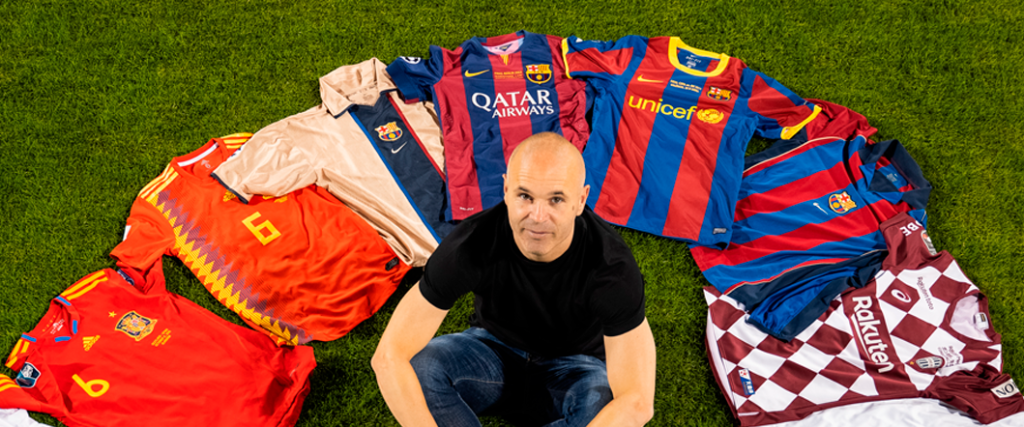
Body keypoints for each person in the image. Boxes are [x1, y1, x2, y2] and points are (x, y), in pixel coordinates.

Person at [372, 132, 656, 426]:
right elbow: (390, 356)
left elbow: (636, 402)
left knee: (606, 407)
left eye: (556, 199)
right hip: (492, 351)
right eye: (525, 196)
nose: (538, 216)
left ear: (581, 200)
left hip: (576, 367)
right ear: (506, 190)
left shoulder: (610, 267)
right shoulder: (473, 245)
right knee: (421, 368)